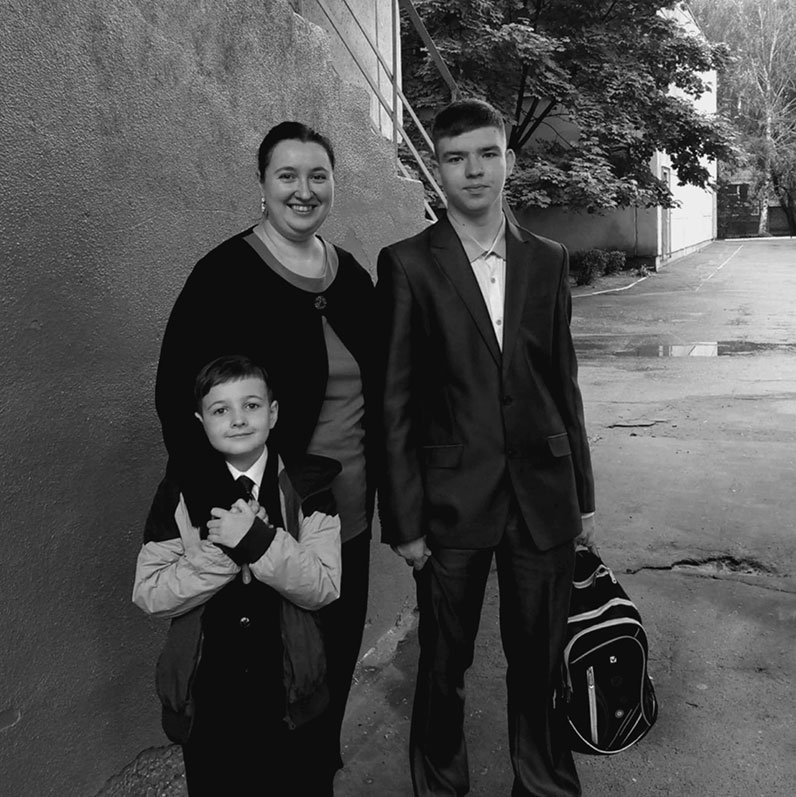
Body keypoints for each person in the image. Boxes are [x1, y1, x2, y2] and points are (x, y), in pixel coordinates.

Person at [375, 98, 596, 796]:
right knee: (444, 662)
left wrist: (582, 495)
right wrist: (404, 519)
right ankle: (440, 785)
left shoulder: (549, 259)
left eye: (486, 154)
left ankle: (544, 782)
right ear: (436, 168)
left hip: (542, 496)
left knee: (541, 660)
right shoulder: (407, 264)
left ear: (510, 160)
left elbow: (562, 382)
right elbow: (394, 402)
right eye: (455, 158)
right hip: (450, 502)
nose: (473, 170)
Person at [154, 122, 377, 793]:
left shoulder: (353, 278)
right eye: (288, 175)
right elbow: (177, 402)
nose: (304, 190)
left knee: (324, 689)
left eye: (318, 175)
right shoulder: (223, 276)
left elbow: (386, 396)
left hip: (342, 527)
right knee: (248, 710)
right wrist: (233, 518)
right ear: (263, 184)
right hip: (257, 532)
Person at [133, 354, 341, 795]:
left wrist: (259, 541)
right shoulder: (179, 491)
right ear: (201, 420)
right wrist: (226, 552)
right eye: (220, 409)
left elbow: (323, 586)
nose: (238, 419)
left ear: (273, 412)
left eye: (251, 405)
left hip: (286, 688)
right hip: (209, 693)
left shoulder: (310, 487)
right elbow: (150, 592)